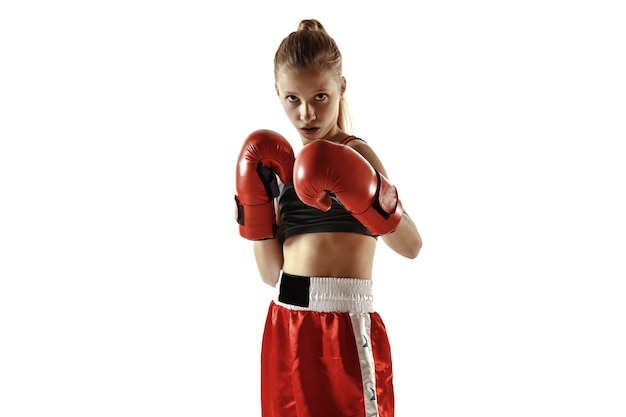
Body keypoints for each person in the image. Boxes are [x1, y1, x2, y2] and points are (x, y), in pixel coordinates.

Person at [234, 19, 422, 417]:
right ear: (277, 94)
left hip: (343, 322)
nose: (306, 113)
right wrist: (255, 203)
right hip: (286, 322)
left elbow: (411, 246)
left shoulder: (357, 154)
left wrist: (362, 189)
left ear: (342, 88)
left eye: (320, 96)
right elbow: (272, 274)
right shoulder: (280, 166)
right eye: (293, 99)